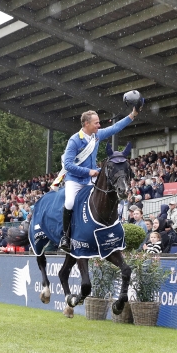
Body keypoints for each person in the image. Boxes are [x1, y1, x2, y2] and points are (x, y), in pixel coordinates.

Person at [57, 107, 139, 252]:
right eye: (96, 123)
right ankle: (66, 236)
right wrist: (89, 172)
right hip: (75, 179)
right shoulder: (74, 140)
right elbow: (68, 165)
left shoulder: (96, 135)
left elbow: (115, 128)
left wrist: (132, 116)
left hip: (92, 176)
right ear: (86, 124)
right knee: (69, 202)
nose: (99, 125)